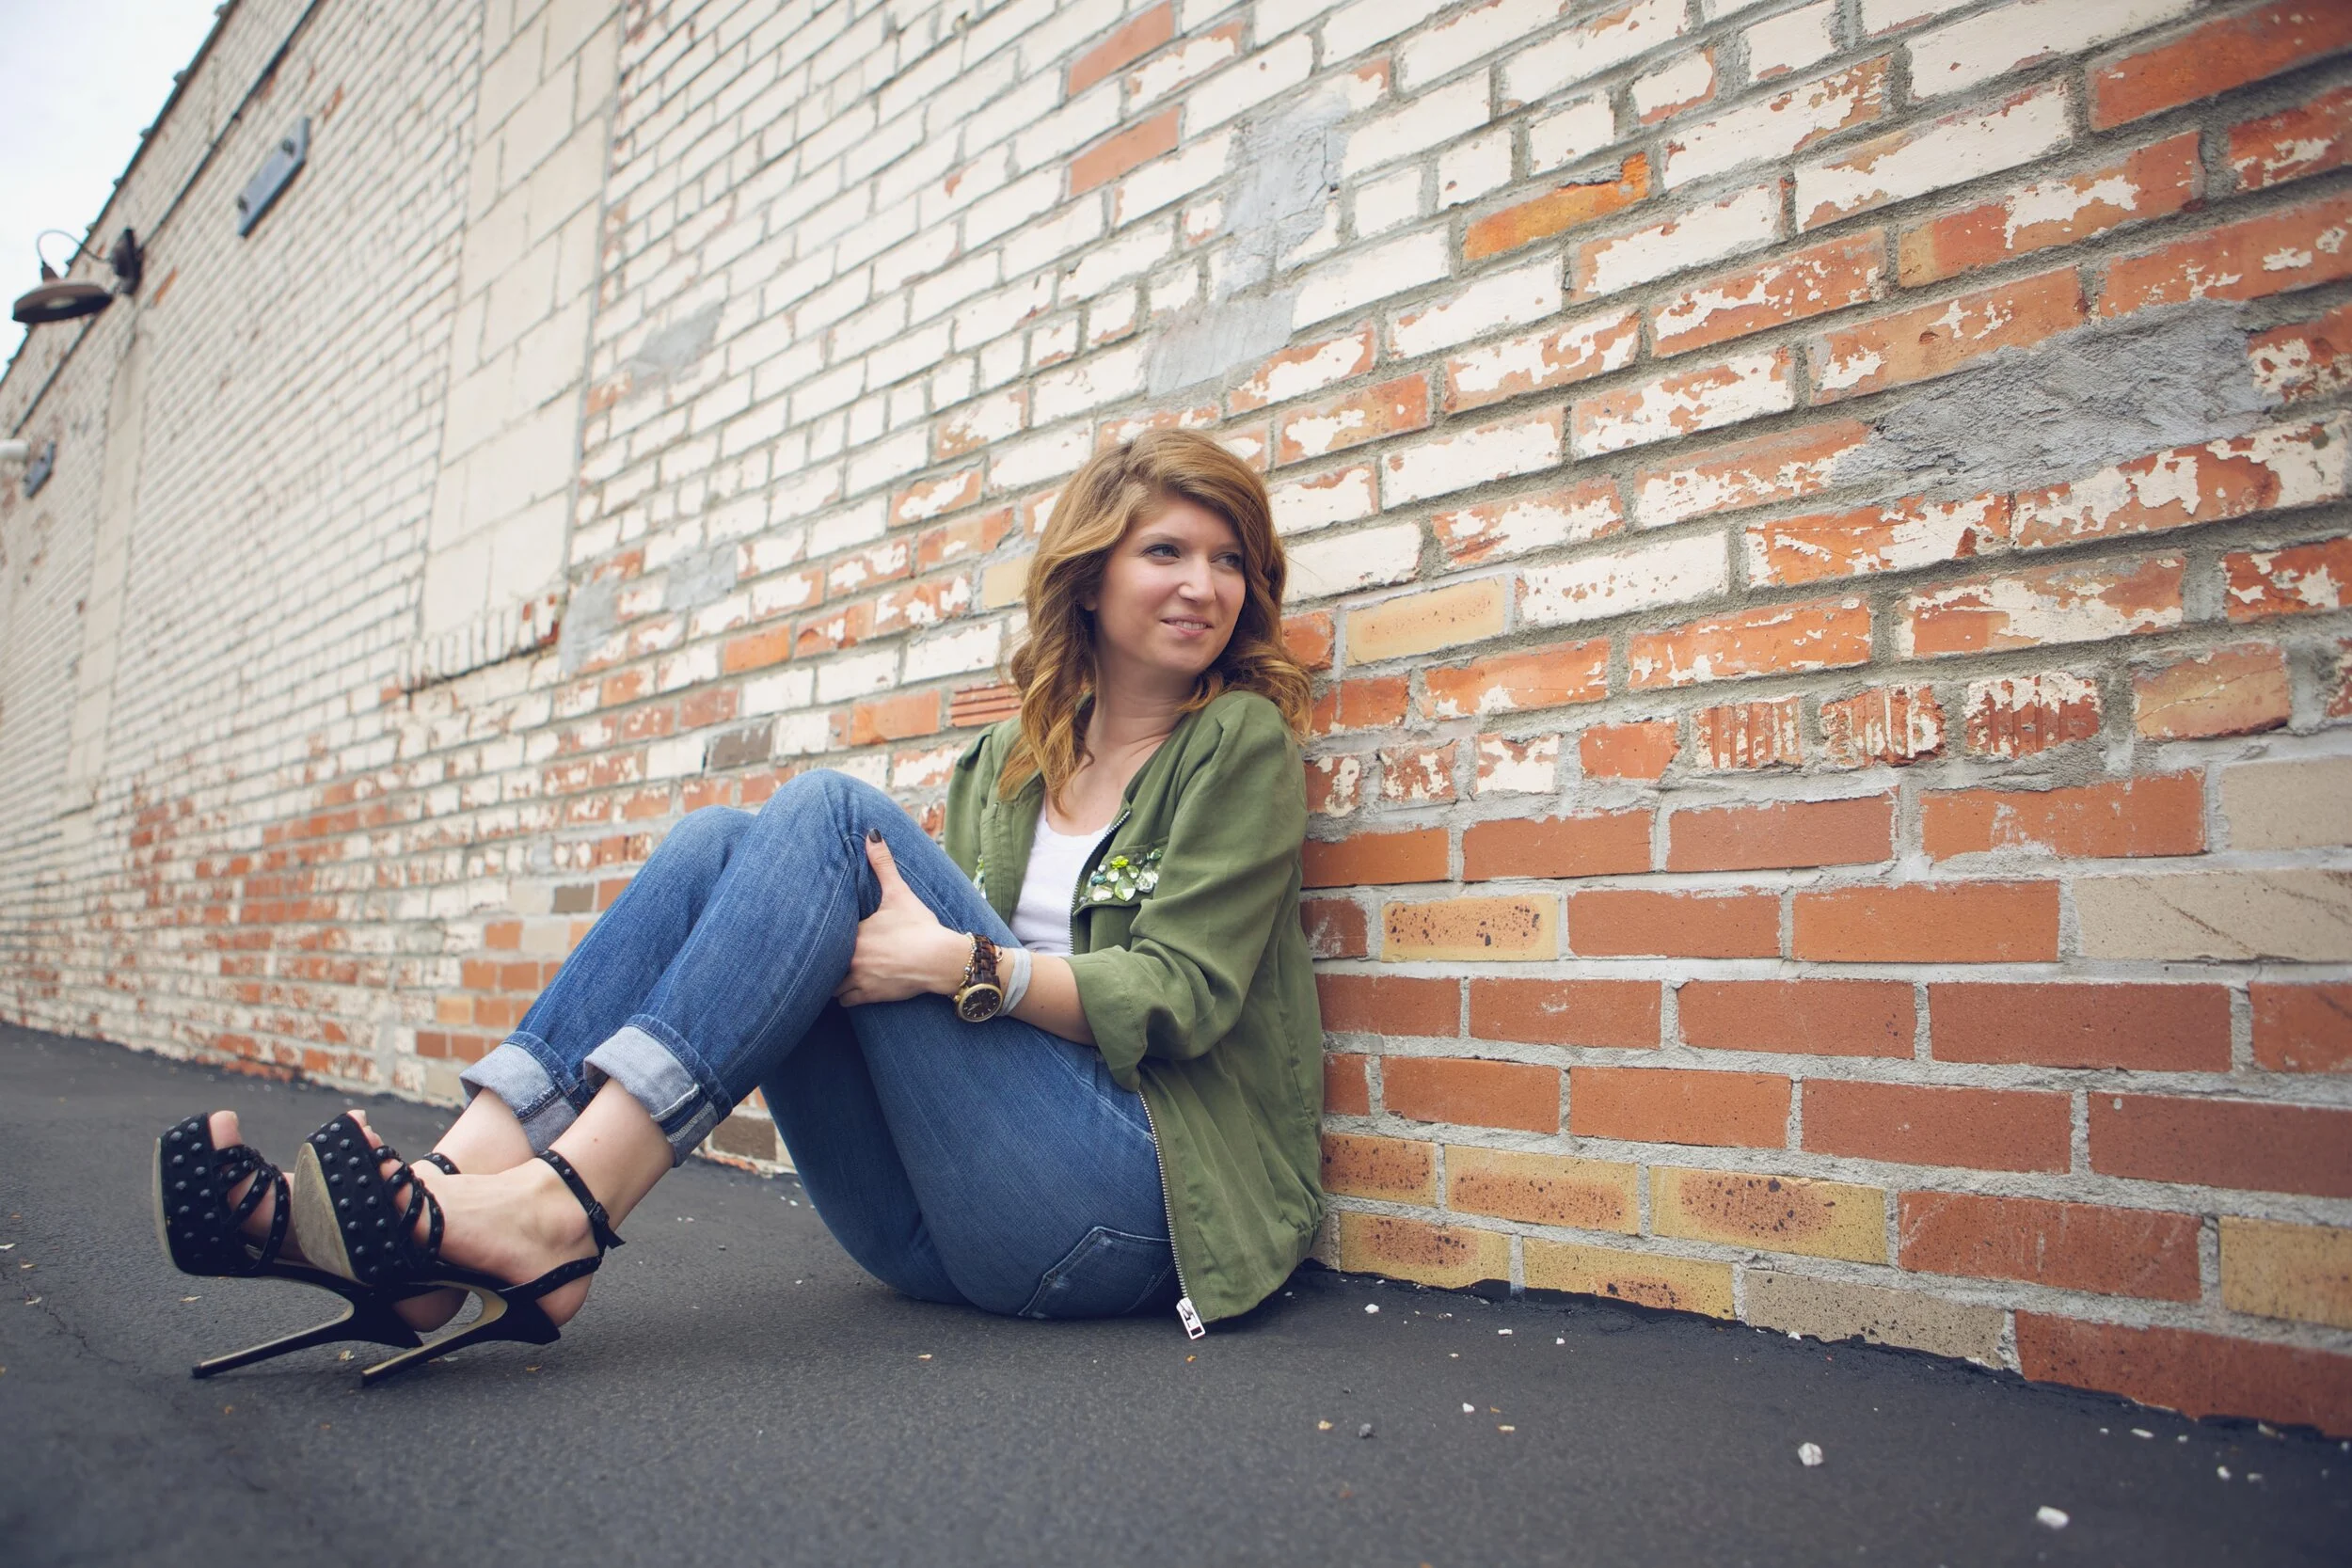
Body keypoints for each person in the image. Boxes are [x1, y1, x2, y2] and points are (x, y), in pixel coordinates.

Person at [155, 428, 1327, 1381]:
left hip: (1127, 1210)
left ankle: (560, 1214)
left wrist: (965, 964)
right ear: (1092, 573)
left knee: (823, 810)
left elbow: (1184, 993)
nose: (1205, 585)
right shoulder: (1003, 768)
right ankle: (447, 1196)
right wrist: (933, 963)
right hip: (935, 1227)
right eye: (1167, 550)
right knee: (724, 840)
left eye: (1230, 561)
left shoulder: (1238, 744)